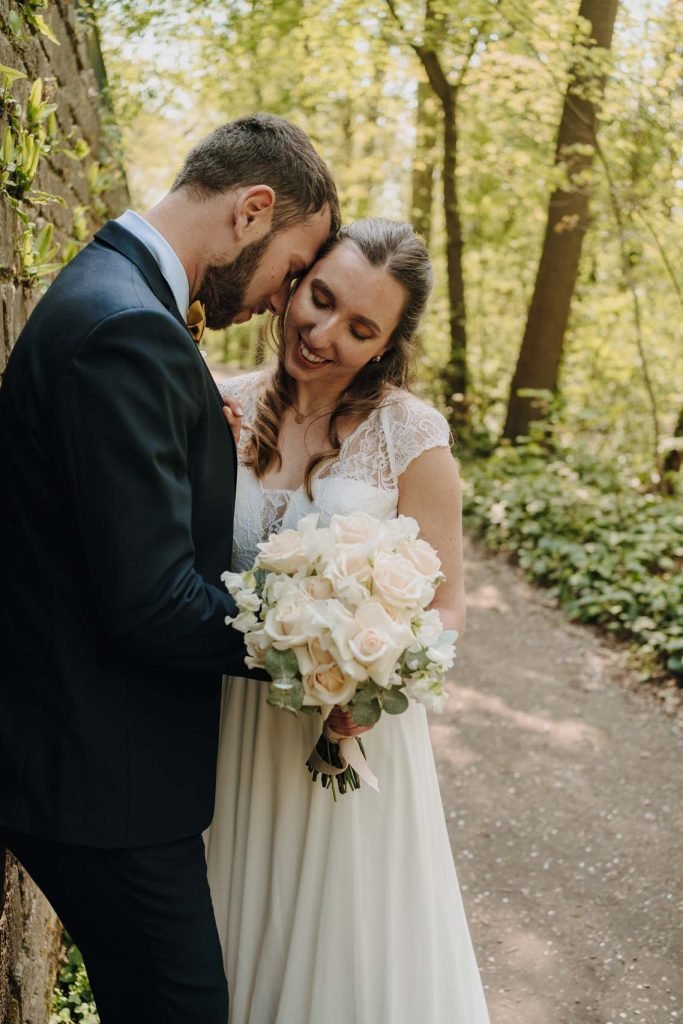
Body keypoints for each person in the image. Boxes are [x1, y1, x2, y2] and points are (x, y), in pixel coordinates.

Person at [0, 113, 340, 1024]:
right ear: (253, 211)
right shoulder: (127, 327)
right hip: (101, 778)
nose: (283, 299)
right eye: (294, 268)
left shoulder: (117, 295)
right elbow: (149, 602)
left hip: (92, 762)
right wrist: (319, 642)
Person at [208, 218, 491, 1023]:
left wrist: (370, 684)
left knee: (347, 949)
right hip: (232, 725)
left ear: (385, 345)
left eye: (358, 328)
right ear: (293, 283)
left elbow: (445, 602)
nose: (321, 334)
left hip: (347, 731)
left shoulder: (411, 437)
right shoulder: (219, 407)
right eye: (318, 299)